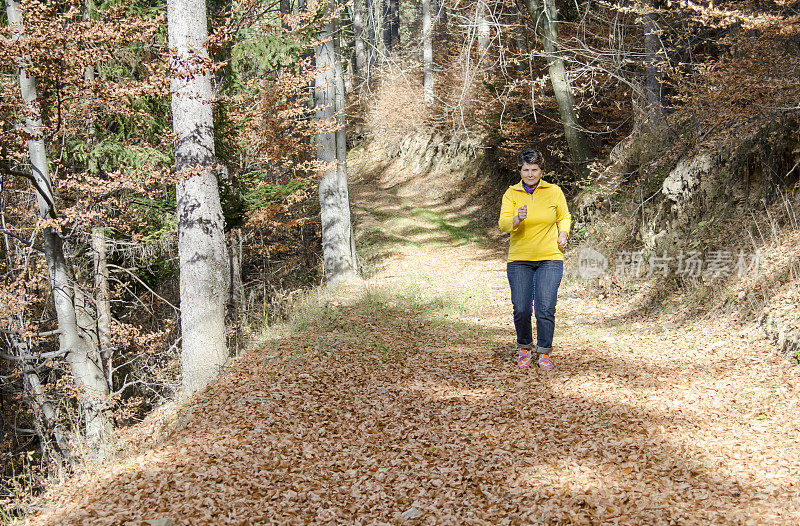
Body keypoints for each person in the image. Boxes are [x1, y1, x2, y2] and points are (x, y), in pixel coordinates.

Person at [498, 148, 570, 369]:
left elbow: (564, 216)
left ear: (541, 171)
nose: (530, 174)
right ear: (520, 170)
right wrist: (516, 219)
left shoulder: (554, 191)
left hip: (550, 258)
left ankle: (545, 352)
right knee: (521, 308)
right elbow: (503, 225)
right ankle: (524, 347)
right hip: (520, 259)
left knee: (545, 308)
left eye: (534, 170)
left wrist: (564, 232)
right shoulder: (511, 194)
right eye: (526, 170)